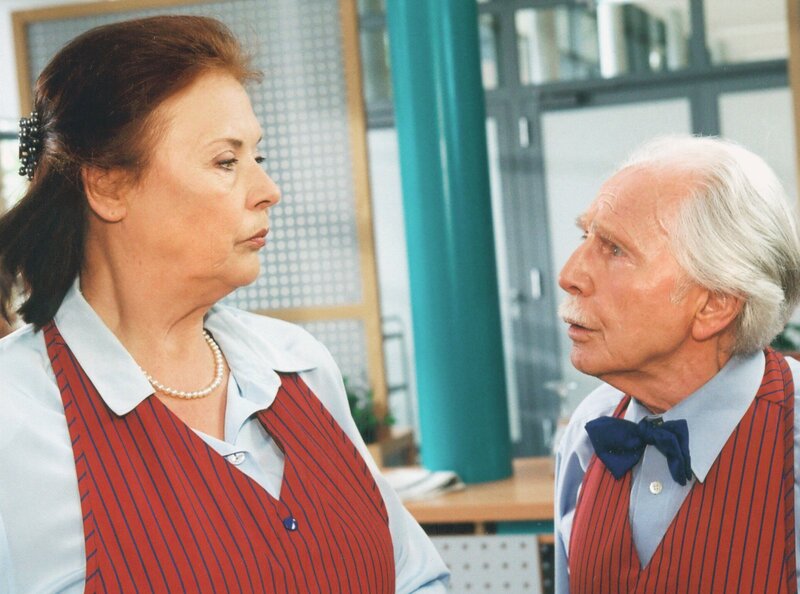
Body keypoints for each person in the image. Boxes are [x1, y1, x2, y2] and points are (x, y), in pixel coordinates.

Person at [0, 15, 448, 593]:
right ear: (108, 185)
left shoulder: (298, 365)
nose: (268, 191)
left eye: (258, 156)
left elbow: (415, 578)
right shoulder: (17, 412)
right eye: (225, 162)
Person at [553, 135, 800, 594]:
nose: (569, 275)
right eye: (585, 236)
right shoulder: (589, 429)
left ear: (714, 304)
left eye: (615, 250)